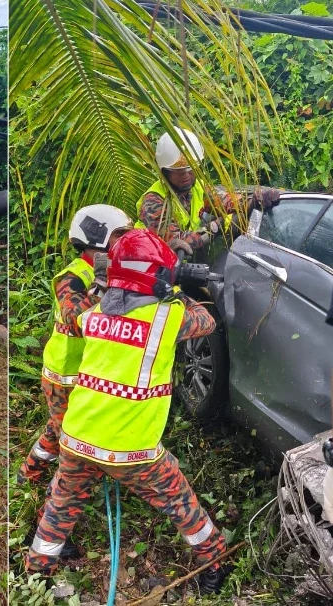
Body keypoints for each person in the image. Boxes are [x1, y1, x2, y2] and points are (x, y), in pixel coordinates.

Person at [26, 229, 230, 594]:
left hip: (76, 438)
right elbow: (207, 320)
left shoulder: (92, 315)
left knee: (61, 505)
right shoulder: (168, 317)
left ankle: (36, 573)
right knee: (178, 500)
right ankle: (214, 561)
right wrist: (176, 290)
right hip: (131, 450)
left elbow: (102, 307)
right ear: (158, 275)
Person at [19, 205, 132, 483]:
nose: (125, 241)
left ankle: (29, 474)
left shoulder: (117, 270)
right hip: (64, 375)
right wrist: (101, 285)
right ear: (98, 237)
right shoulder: (74, 276)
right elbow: (73, 318)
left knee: (59, 428)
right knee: (70, 439)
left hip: (89, 372)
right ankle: (54, 492)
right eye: (119, 234)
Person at [136, 127, 281, 254]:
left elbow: (225, 201)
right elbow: (178, 242)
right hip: (148, 266)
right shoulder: (154, 201)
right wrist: (218, 225)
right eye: (179, 171)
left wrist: (253, 200)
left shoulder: (198, 188)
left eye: (191, 168)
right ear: (165, 172)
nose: (186, 175)